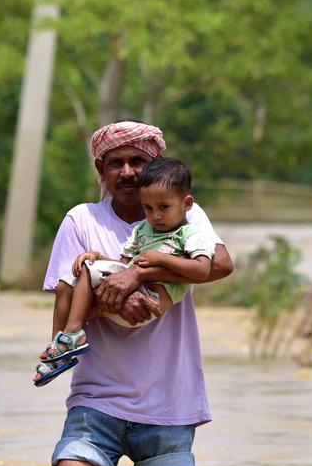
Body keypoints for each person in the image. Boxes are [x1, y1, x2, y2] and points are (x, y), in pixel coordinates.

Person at [42, 121, 233, 466]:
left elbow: (221, 264)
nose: (127, 172)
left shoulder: (185, 216)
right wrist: (115, 296)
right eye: (115, 163)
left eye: (138, 162)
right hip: (97, 392)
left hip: (169, 394)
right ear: (100, 171)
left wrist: (141, 271)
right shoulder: (81, 220)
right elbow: (68, 301)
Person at [34, 158, 216, 386]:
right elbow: (122, 269)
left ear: (187, 203)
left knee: (86, 284)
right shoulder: (144, 229)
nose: (156, 216)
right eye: (148, 208)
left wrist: (160, 260)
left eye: (164, 208)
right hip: (133, 293)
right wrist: (98, 258)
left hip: (149, 304)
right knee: (72, 279)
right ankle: (61, 345)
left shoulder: (190, 233)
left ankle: (70, 337)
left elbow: (202, 270)